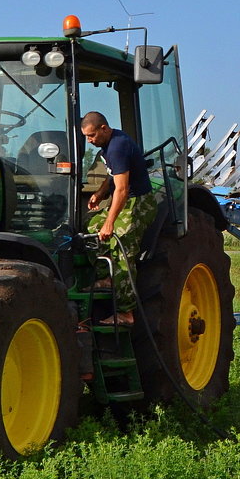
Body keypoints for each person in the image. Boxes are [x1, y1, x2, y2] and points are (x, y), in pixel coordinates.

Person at [80, 112, 158, 323]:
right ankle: (107, 277)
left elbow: (122, 190)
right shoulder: (107, 145)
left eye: (92, 135)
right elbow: (113, 175)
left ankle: (126, 312)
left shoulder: (118, 147)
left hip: (138, 203)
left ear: (104, 128)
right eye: (86, 137)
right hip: (124, 199)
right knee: (89, 226)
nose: (90, 140)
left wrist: (110, 222)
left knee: (121, 245)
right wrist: (100, 193)